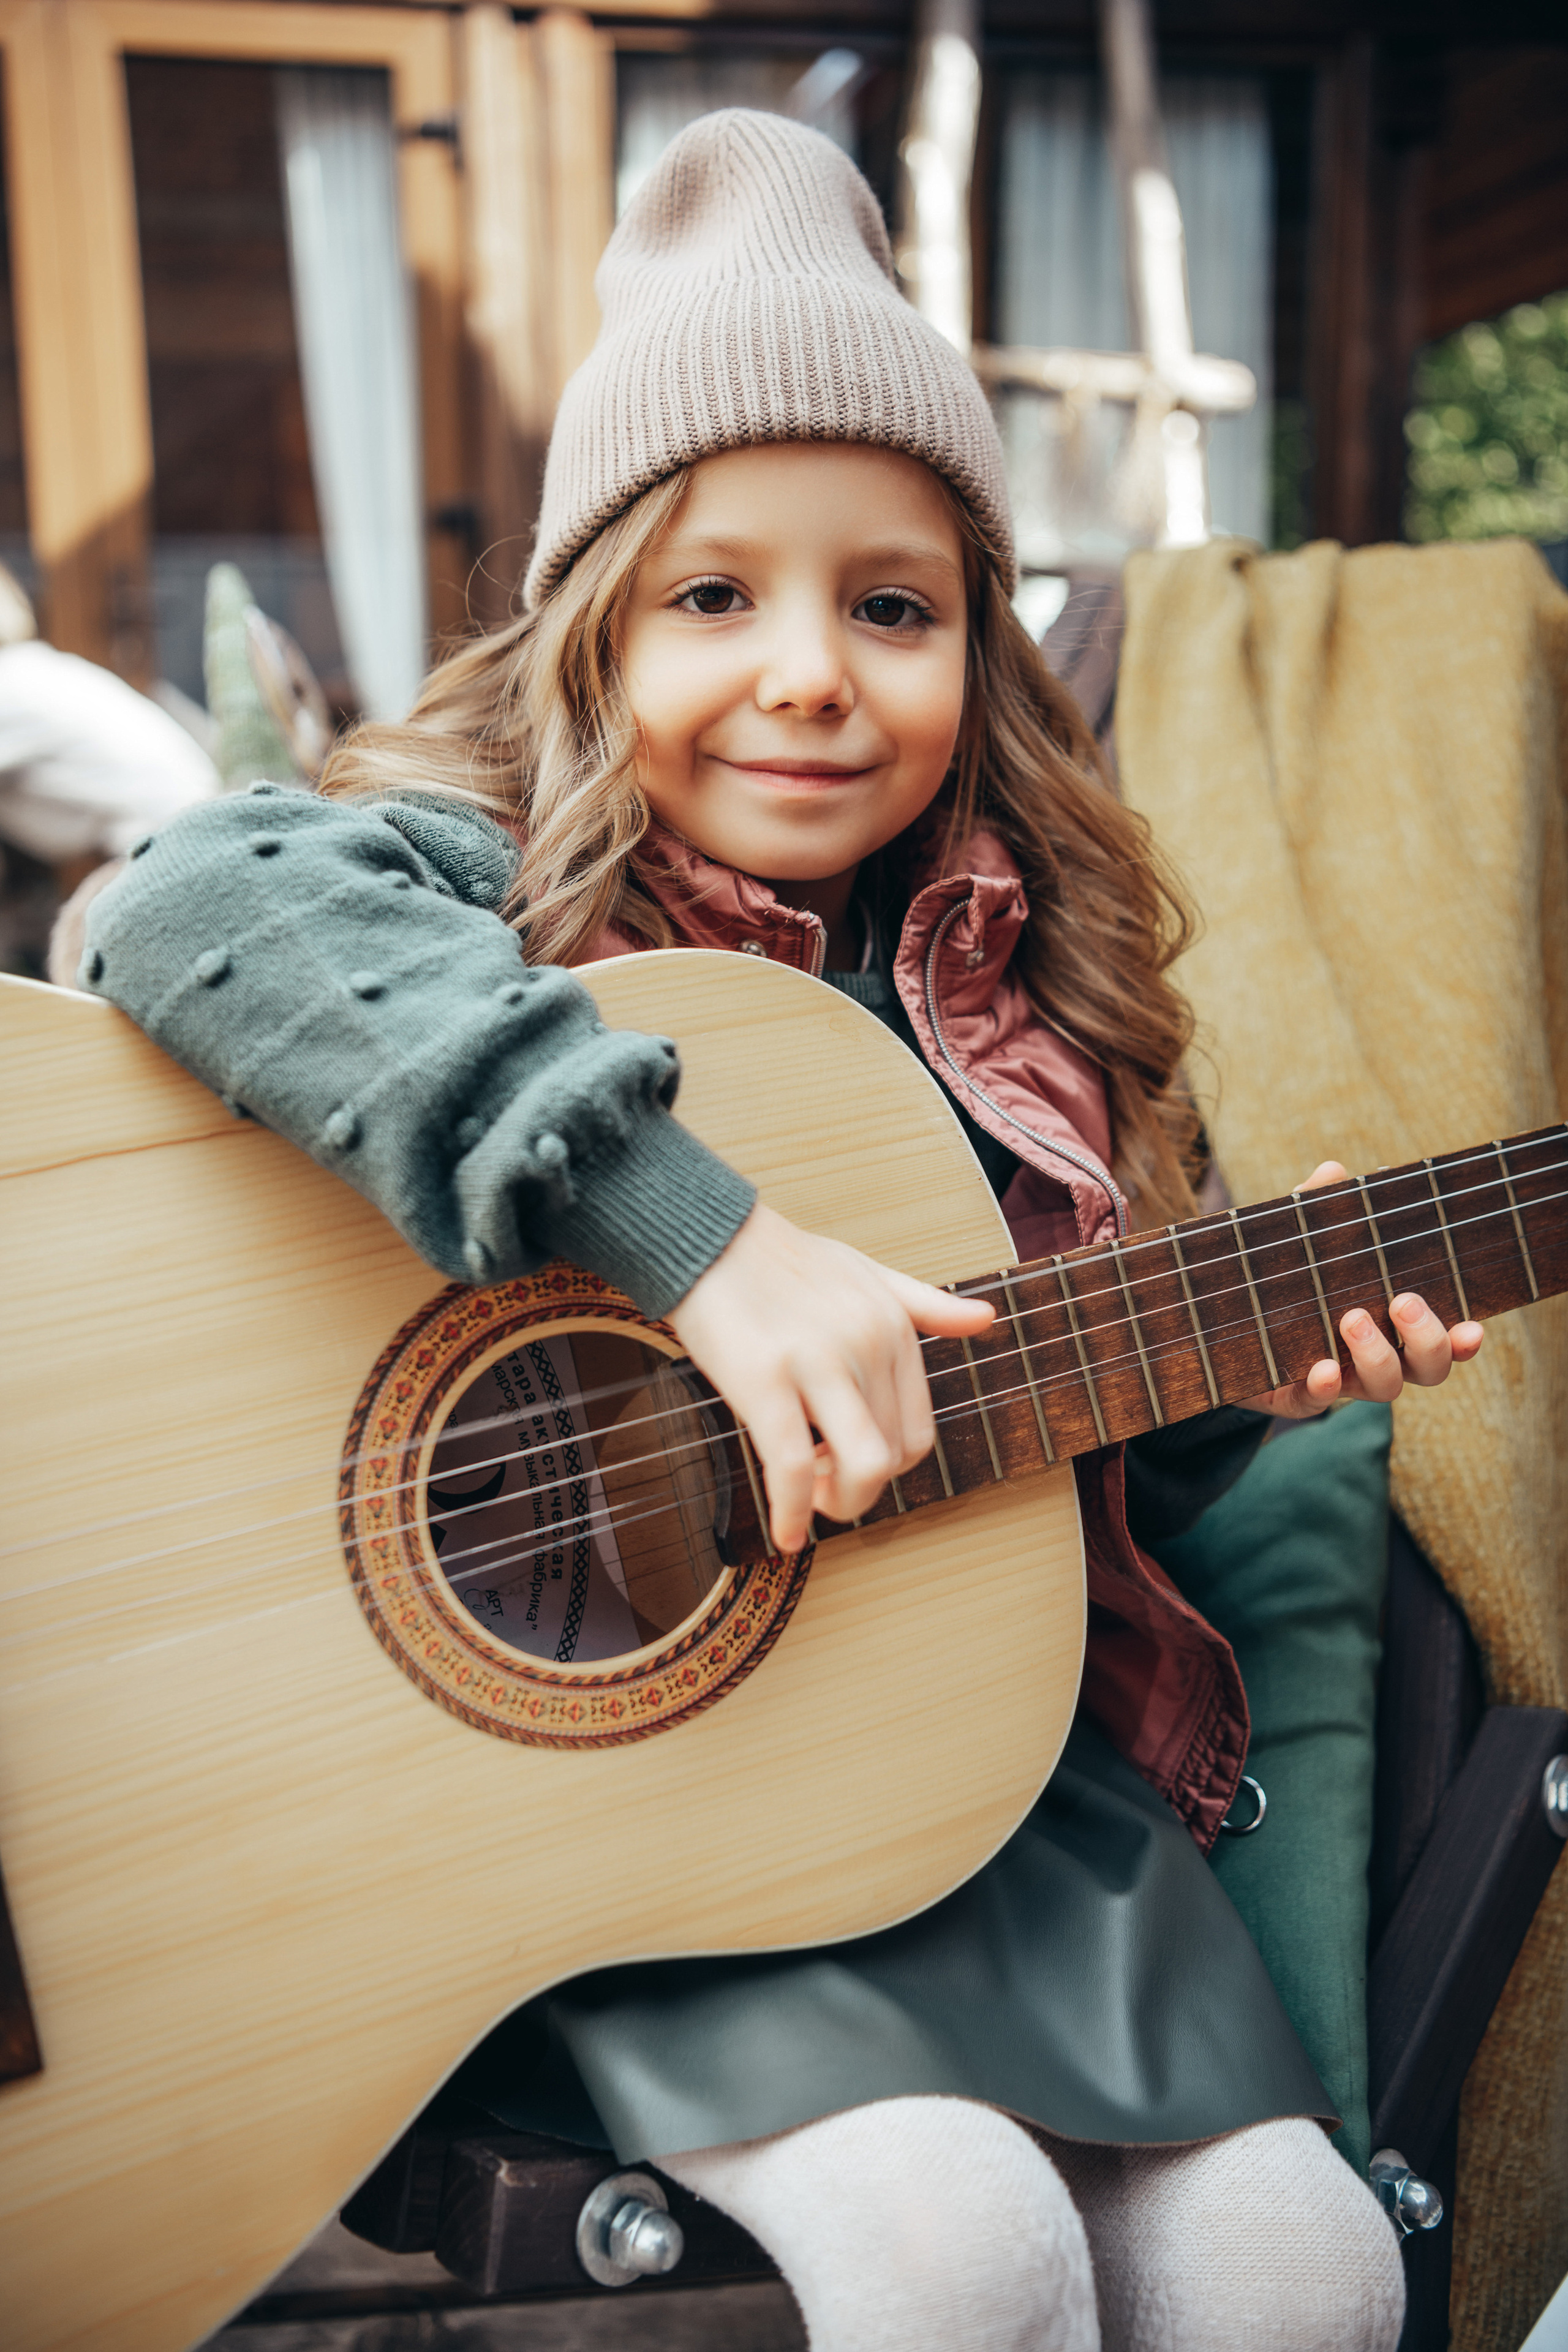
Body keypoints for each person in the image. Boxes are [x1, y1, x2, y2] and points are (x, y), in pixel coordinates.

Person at [81, 111, 1482, 2352]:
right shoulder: (498, 888)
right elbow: (180, 903)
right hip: (615, 1823)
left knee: (1310, 2272)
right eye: (716, 596)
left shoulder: (1041, 997)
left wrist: (1241, 1368)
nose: (813, 672)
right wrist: (695, 1243)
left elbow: (1045, 1450)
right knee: (959, 2251)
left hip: (987, 1801)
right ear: (589, 625)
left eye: (894, 604)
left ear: (981, 649)